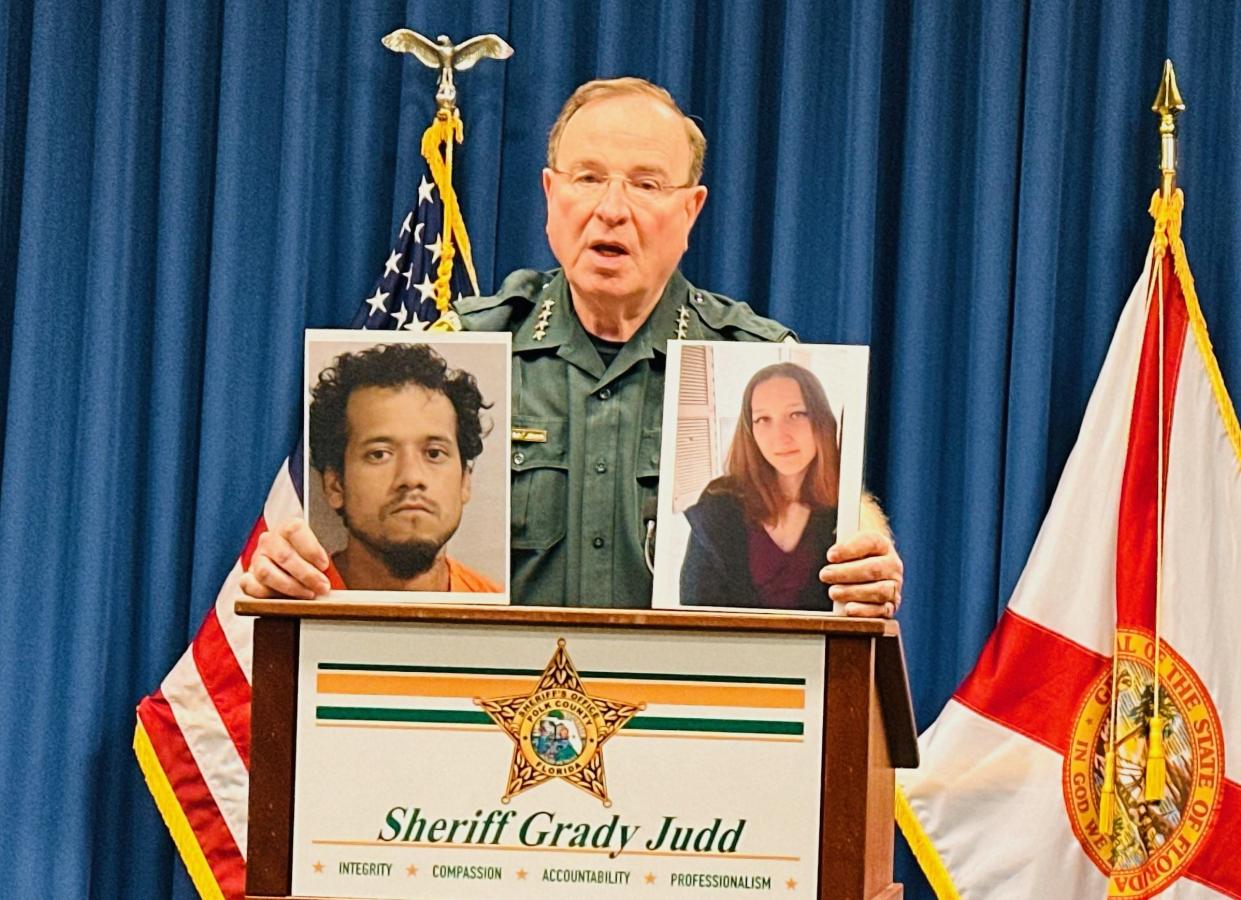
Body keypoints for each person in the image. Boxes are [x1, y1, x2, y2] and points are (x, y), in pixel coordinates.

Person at [242, 76, 902, 616]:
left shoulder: (754, 359)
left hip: (687, 731)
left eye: (645, 184)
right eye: (587, 178)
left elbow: (832, 505)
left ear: (690, 211)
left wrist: (865, 548)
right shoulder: (458, 355)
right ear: (551, 197)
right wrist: (294, 564)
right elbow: (341, 549)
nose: (610, 208)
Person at [306, 341, 500, 593]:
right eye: (379, 454)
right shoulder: (293, 606)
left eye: (434, 453)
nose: (411, 477)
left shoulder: (497, 614)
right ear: (335, 485)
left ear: (465, 481)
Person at [681, 363, 840, 610]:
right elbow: (695, 609)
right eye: (763, 419)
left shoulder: (844, 509)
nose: (780, 436)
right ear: (750, 430)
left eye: (796, 414)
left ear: (821, 419)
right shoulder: (719, 501)